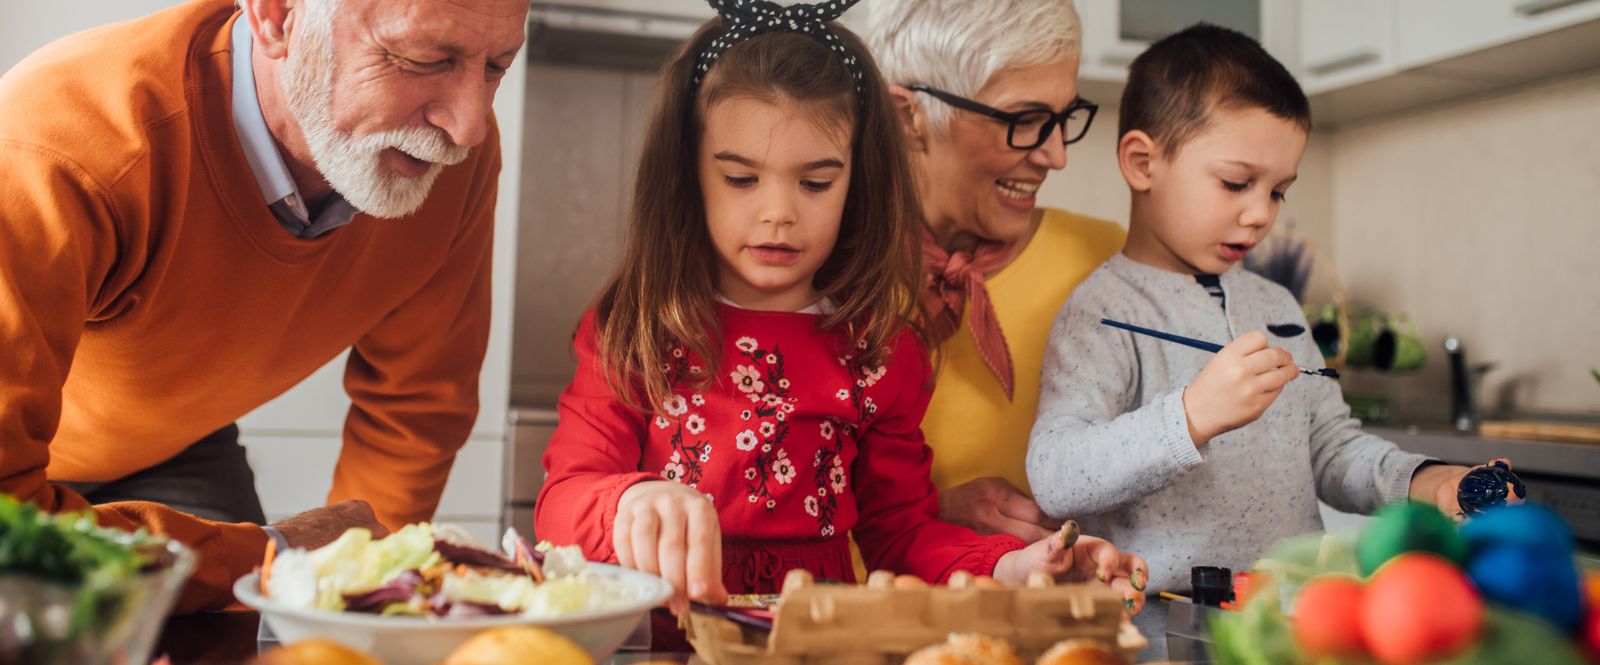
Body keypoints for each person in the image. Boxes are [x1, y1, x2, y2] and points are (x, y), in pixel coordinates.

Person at [533, 0, 1146, 614]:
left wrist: (1012, 567)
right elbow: (563, 502)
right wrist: (630, 503)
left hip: (820, 644)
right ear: (688, 176)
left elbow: (901, 534)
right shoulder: (636, 326)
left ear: (859, 181)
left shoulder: (882, 349)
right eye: (741, 179)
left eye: (816, 183)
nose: (779, 212)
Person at [0, 0, 527, 612]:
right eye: (426, 60)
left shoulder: (437, 159)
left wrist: (358, 584)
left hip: (174, 440)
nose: (469, 128)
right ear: (277, 17)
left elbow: (416, 406)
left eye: (495, 68)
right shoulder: (54, 148)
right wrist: (274, 550)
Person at [1024, 24, 1522, 656]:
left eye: (1279, 191)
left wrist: (1426, 482)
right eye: (1237, 183)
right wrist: (1192, 417)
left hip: (1297, 629)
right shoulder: (1100, 311)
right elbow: (1056, 474)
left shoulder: (1276, 305)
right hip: (1161, 643)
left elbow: (1333, 450)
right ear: (1143, 163)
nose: (1261, 213)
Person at [862, 0, 1127, 544]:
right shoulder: (821, 277)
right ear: (908, 117)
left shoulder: (1105, 263)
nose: (1056, 155)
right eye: (1024, 120)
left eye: (1061, 119)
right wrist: (925, 512)